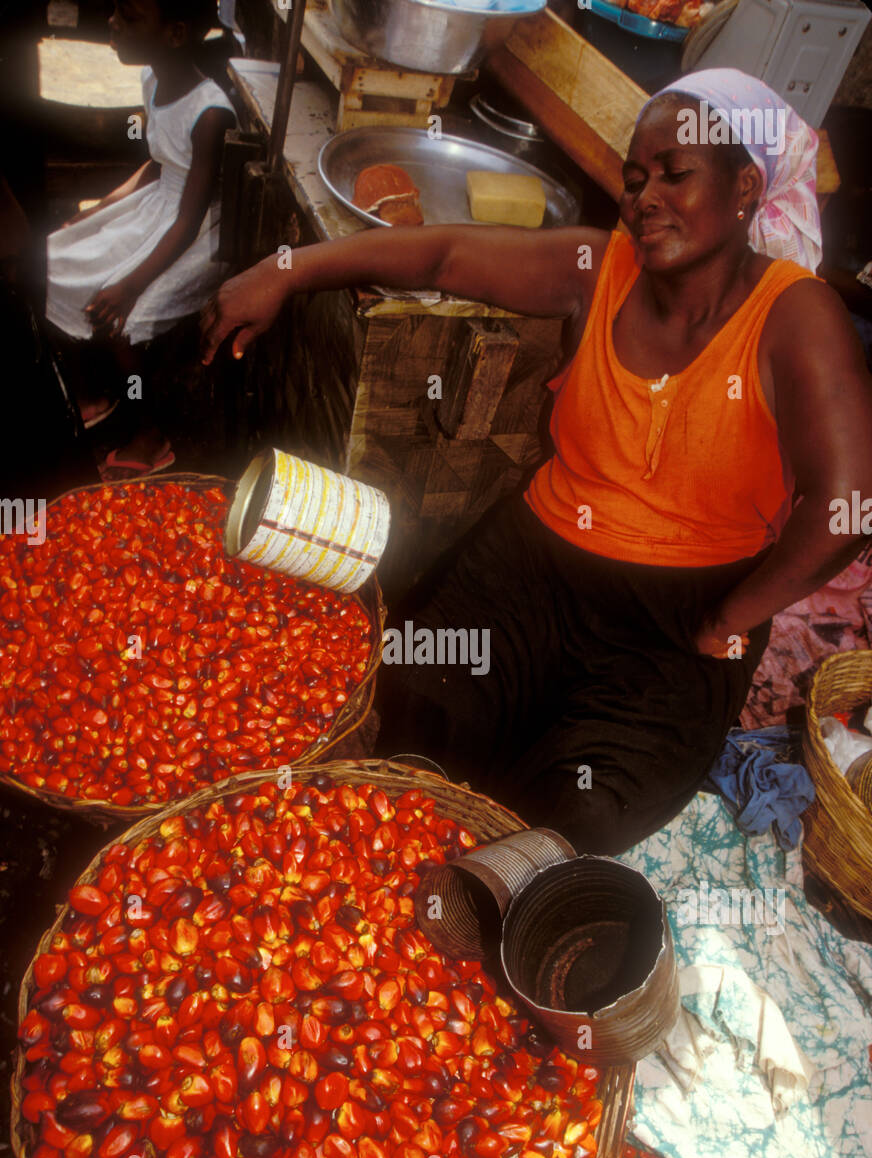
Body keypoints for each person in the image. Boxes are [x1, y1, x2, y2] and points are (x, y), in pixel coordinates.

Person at [201, 70, 872, 855]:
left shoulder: (794, 313)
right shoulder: (603, 268)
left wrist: (729, 619)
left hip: (683, 617)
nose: (645, 196)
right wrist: (284, 270)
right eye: (635, 178)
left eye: (676, 173)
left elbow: (849, 503)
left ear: (746, 186)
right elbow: (447, 254)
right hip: (534, 565)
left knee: (573, 821)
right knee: (403, 710)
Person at [45, 0, 235, 477]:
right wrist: (102, 210)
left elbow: (189, 221)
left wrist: (130, 285)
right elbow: (158, 163)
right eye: (114, 12)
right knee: (57, 256)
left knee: (127, 316)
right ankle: (103, 391)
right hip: (159, 203)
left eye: (129, 17)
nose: (112, 24)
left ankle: (151, 429)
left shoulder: (210, 113)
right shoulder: (152, 78)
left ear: (174, 33)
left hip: (194, 231)